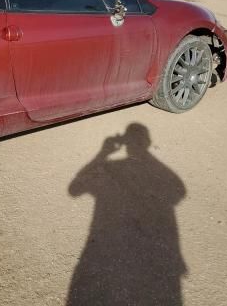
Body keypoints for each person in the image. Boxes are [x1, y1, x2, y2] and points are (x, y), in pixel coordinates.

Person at [67, 123, 187, 306]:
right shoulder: (163, 173)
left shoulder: (113, 166)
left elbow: (75, 189)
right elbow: (179, 192)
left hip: (104, 248)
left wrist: (103, 153)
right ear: (147, 142)